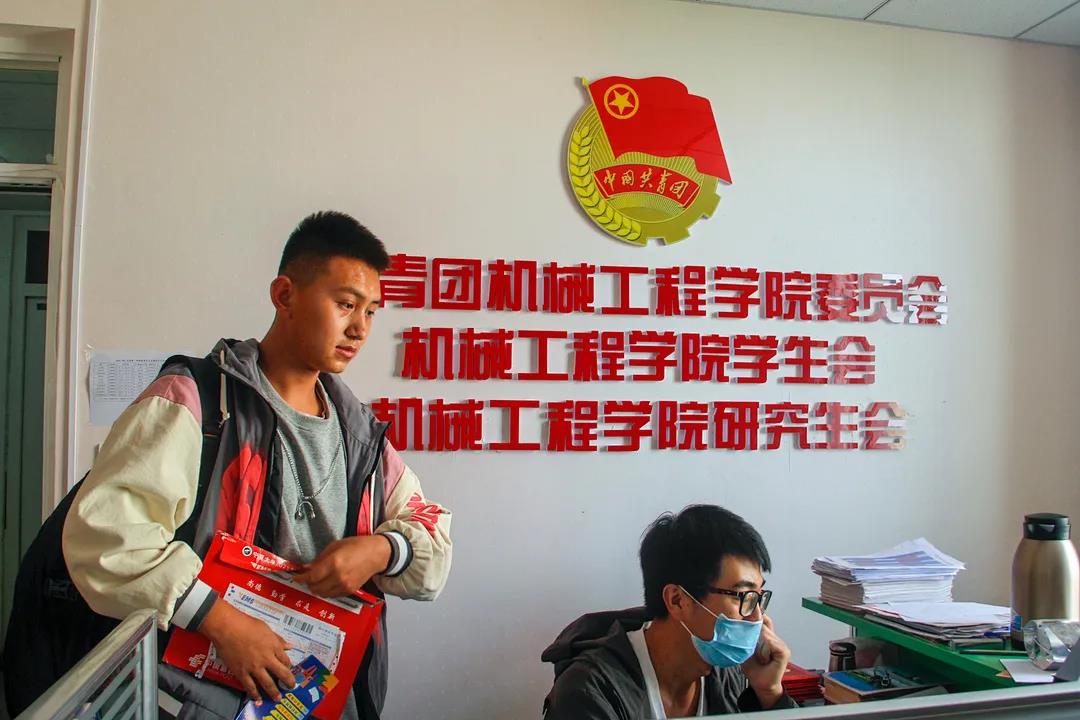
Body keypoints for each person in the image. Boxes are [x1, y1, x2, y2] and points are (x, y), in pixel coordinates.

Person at [3, 211, 452, 720]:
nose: (359, 328)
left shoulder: (360, 436)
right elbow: (107, 539)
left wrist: (382, 549)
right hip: (193, 698)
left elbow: (433, 542)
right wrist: (221, 621)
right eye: (345, 304)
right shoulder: (193, 402)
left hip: (314, 697)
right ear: (284, 295)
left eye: (371, 311)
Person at [542, 505, 794, 718]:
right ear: (677, 600)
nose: (757, 617)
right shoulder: (589, 692)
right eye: (744, 596)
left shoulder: (729, 674)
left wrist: (770, 694)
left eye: (759, 597)